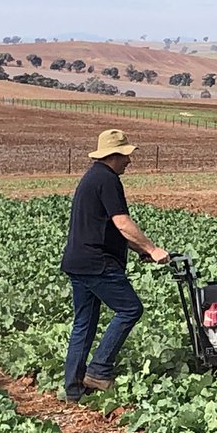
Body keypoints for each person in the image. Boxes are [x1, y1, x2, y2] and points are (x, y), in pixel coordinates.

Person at [60, 129, 168, 402]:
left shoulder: (92, 177)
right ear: (113, 156)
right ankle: (98, 370)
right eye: (126, 156)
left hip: (77, 260)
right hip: (97, 263)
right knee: (130, 309)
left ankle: (73, 390)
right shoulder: (108, 180)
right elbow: (122, 223)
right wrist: (153, 249)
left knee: (84, 323)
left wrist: (141, 250)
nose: (129, 162)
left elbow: (110, 228)